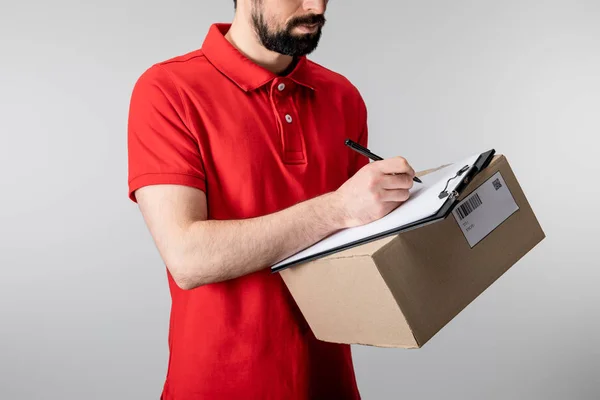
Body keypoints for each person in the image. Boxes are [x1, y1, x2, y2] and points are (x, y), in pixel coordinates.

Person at [127, 0, 416, 398]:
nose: (315, 6)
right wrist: (338, 208)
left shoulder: (342, 95)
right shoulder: (167, 90)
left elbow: (352, 247)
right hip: (216, 386)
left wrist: (411, 210)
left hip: (327, 383)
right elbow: (187, 258)